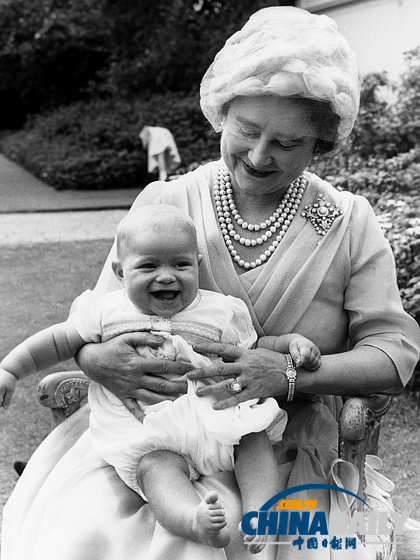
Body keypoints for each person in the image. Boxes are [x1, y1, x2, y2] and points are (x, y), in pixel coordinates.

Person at [2, 6, 419, 560]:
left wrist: (288, 376)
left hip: (277, 447)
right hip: (152, 435)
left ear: (321, 142)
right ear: (222, 113)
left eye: (287, 143)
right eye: (246, 131)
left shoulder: (347, 222)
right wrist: (96, 361)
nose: (259, 154)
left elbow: (395, 356)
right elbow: (97, 321)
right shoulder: (167, 203)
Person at [0, 204, 321, 554]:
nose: (166, 276)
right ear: (120, 272)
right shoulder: (107, 312)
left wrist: (292, 346)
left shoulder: (219, 310)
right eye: (149, 266)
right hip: (149, 432)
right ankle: (192, 519)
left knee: (254, 441)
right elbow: (56, 342)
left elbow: (256, 347)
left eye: (180, 264)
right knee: (155, 470)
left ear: (197, 264)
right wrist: (10, 370)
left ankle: (261, 512)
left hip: (218, 423)